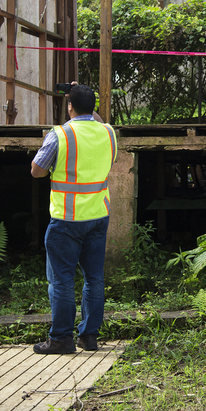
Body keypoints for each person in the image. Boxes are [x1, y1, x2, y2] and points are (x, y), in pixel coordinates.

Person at [31, 83, 117, 354]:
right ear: (94, 107)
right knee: (94, 279)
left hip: (66, 220)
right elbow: (97, 122)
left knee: (62, 280)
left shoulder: (60, 135)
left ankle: (61, 339)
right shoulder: (108, 133)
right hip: (98, 216)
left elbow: (36, 171)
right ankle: (89, 337)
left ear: (69, 105)